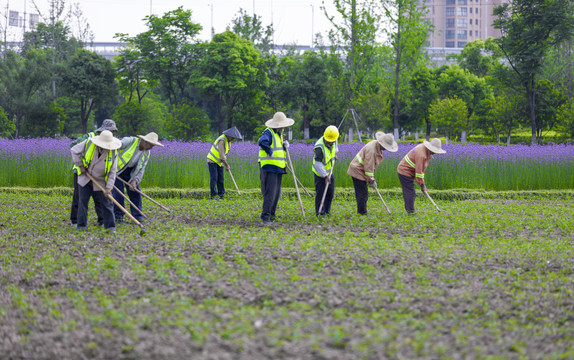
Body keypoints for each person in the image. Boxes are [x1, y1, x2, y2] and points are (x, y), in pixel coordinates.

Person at [69, 119, 118, 227]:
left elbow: (112, 172)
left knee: (106, 202)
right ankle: (80, 225)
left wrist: (108, 188)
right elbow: (73, 149)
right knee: (82, 201)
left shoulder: (113, 151)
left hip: (100, 179)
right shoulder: (89, 140)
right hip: (85, 175)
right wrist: (80, 165)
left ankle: (109, 226)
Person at [112, 132, 164, 223]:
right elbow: (112, 149)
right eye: (151, 145)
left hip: (131, 172)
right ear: (144, 141)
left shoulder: (146, 153)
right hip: (117, 170)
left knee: (135, 192)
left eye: (153, 145)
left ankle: (137, 216)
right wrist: (110, 167)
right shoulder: (129, 141)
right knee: (118, 193)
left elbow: (141, 169)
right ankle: (118, 216)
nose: (151, 147)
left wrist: (135, 180)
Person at [347, 131, 398, 215]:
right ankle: (362, 213)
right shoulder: (372, 150)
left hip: (362, 170)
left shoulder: (377, 146)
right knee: (362, 193)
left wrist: (371, 180)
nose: (386, 149)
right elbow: (369, 168)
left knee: (363, 193)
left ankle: (362, 211)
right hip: (357, 170)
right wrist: (372, 180)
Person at [258, 112, 294, 225]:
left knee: (276, 193)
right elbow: (262, 142)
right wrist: (269, 152)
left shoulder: (278, 134)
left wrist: (284, 146)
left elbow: (277, 148)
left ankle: (272, 214)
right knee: (270, 192)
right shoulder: (268, 132)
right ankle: (265, 217)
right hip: (270, 167)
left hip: (279, 167)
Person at [397, 138, 446, 213]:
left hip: (409, 171)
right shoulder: (421, 154)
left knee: (410, 191)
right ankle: (410, 211)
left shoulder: (427, 151)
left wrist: (422, 184)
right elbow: (419, 173)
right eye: (435, 151)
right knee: (410, 192)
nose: (435, 153)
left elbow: (422, 169)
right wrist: (422, 185)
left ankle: (410, 209)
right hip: (404, 171)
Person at [206, 126, 243, 199]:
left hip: (219, 162)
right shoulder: (222, 140)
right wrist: (227, 165)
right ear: (228, 135)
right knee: (214, 178)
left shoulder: (228, 141)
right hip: (212, 160)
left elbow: (224, 155)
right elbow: (222, 156)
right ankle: (213, 196)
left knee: (221, 179)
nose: (233, 139)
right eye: (232, 137)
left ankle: (221, 195)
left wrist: (224, 163)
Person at [312, 125, 339, 216]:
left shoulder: (334, 140)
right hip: (320, 173)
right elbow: (318, 164)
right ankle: (320, 212)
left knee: (330, 192)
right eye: (329, 141)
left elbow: (335, 149)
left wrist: (335, 155)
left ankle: (327, 211)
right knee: (321, 193)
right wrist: (325, 176)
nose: (331, 143)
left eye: (332, 141)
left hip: (329, 172)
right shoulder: (319, 147)